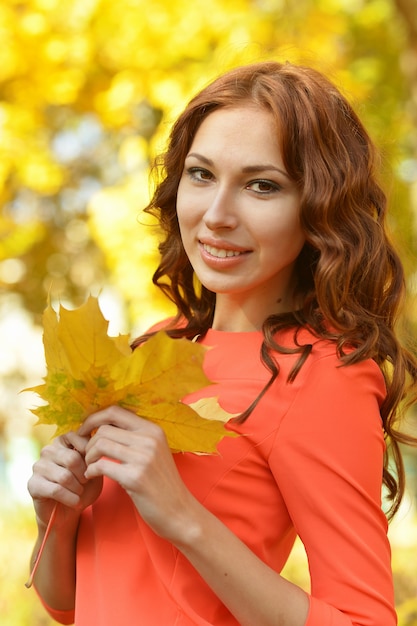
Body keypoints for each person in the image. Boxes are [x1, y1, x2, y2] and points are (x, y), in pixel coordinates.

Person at [27, 61, 417, 626]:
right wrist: (54, 518)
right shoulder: (154, 349)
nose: (215, 215)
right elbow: (68, 604)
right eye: (202, 174)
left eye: (262, 185)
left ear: (318, 208)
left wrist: (184, 517)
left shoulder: (321, 375)